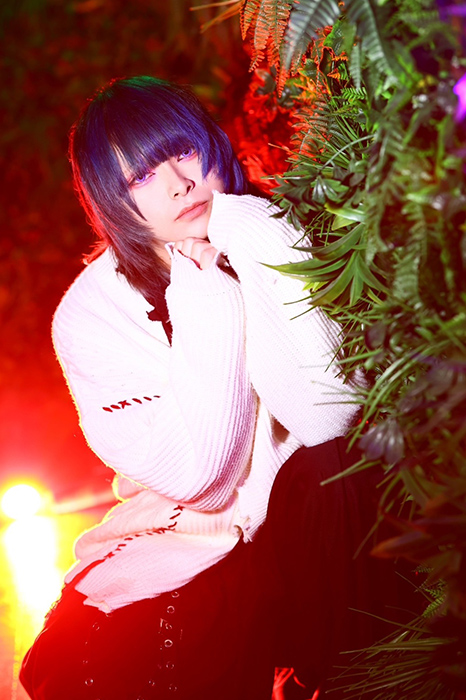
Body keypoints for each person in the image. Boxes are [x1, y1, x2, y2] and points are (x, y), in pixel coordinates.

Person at [20, 76, 415, 700]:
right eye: (142, 177)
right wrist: (206, 295)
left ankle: (328, 678)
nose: (178, 184)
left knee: (334, 467)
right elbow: (202, 478)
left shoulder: (276, 228)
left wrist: (253, 230)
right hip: (186, 543)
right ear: (111, 202)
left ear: (211, 144)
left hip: (299, 530)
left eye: (183, 152)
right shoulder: (90, 315)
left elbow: (326, 415)